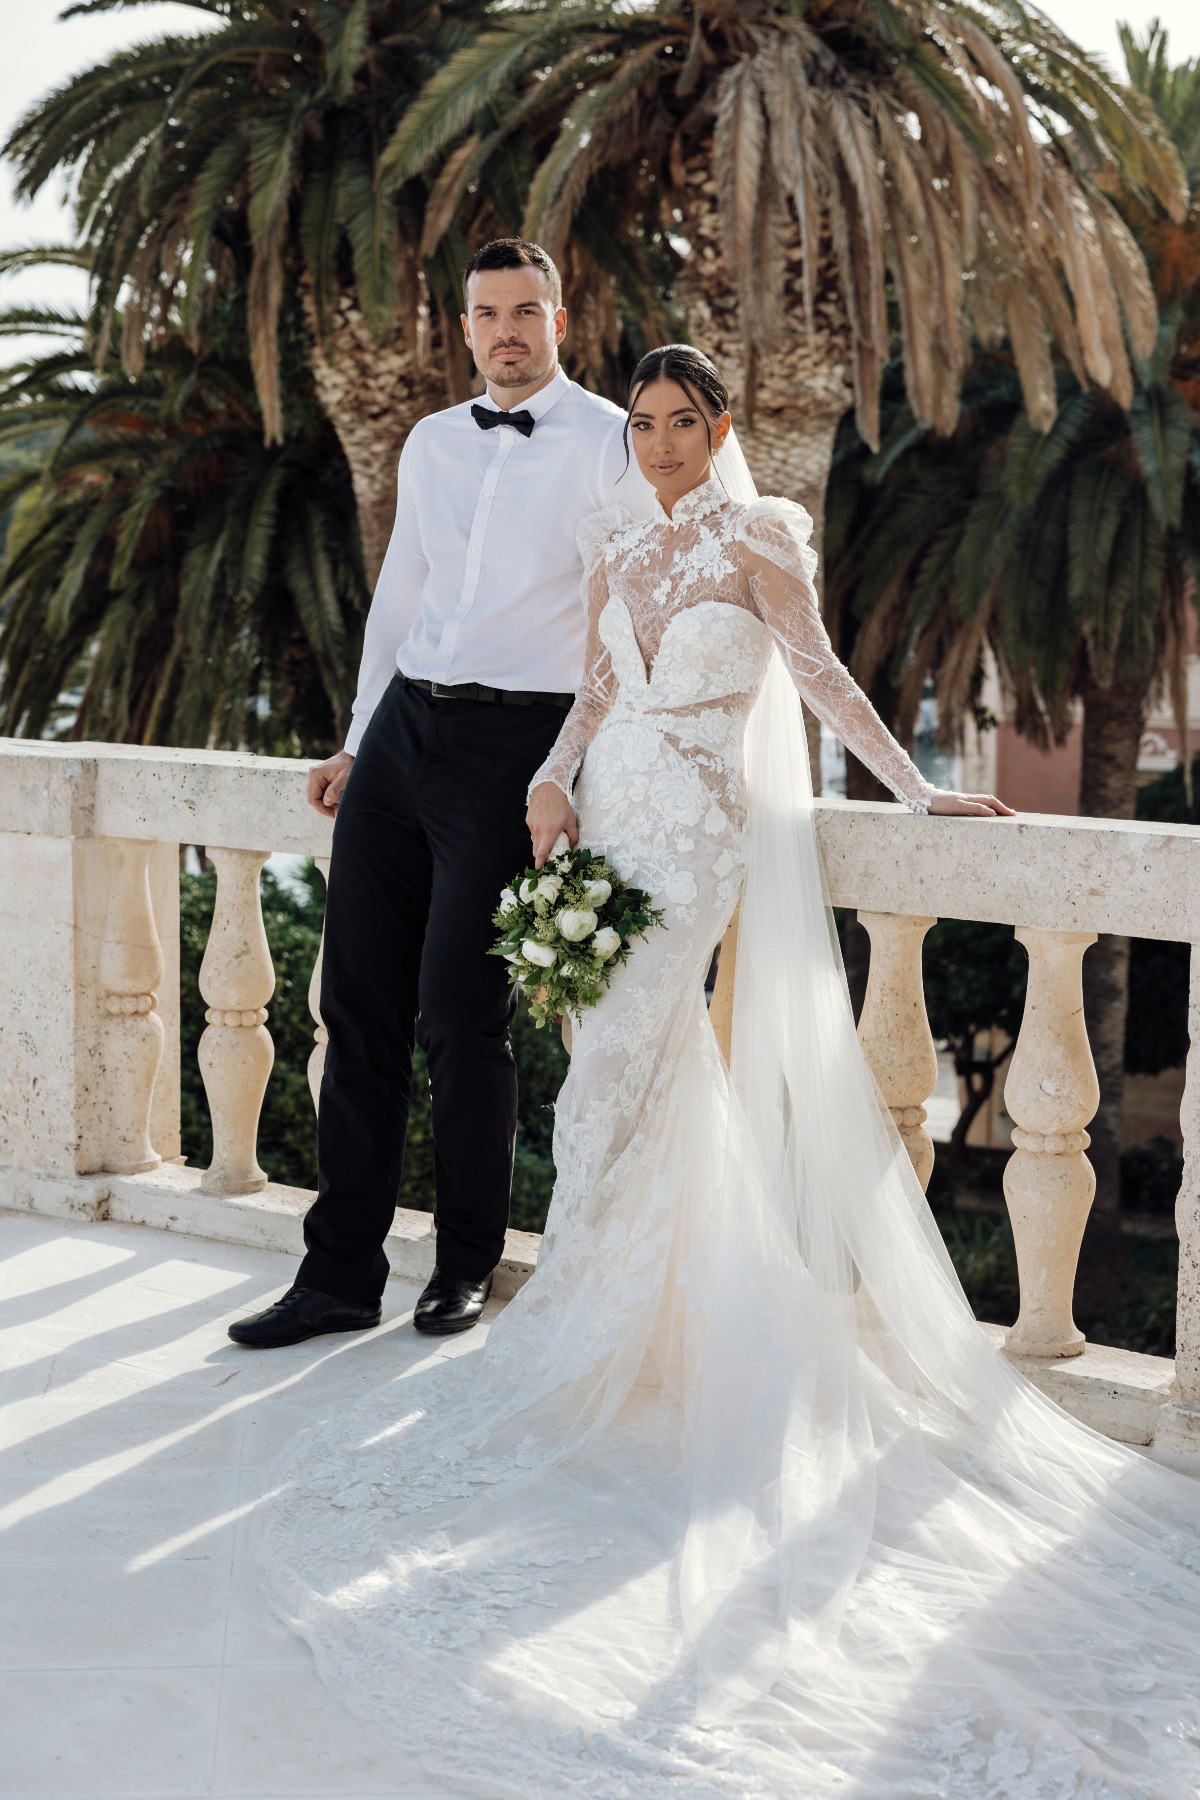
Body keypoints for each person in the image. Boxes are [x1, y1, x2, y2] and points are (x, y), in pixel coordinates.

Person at [257, 346, 1200, 1798]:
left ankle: (628, 1325)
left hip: (696, 820)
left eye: (680, 426)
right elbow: (586, 689)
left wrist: (915, 787)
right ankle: (618, 1316)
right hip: (605, 809)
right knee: (605, 1080)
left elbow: (816, 677)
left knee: (630, 1055)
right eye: (639, 427)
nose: (656, 448)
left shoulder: (760, 535)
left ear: (721, 430)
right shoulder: (613, 530)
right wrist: (552, 776)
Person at [229, 238, 653, 1349]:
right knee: (354, 1007)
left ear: (560, 319)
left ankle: (463, 1263)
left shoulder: (613, 443)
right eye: (485, 313)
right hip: (405, 730)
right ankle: (338, 1276)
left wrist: (562, 769)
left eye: (525, 311)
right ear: (462, 327)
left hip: (515, 749)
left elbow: (626, 629)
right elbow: (400, 597)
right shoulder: (427, 443)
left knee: (464, 1022)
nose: (505, 331)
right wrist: (358, 740)